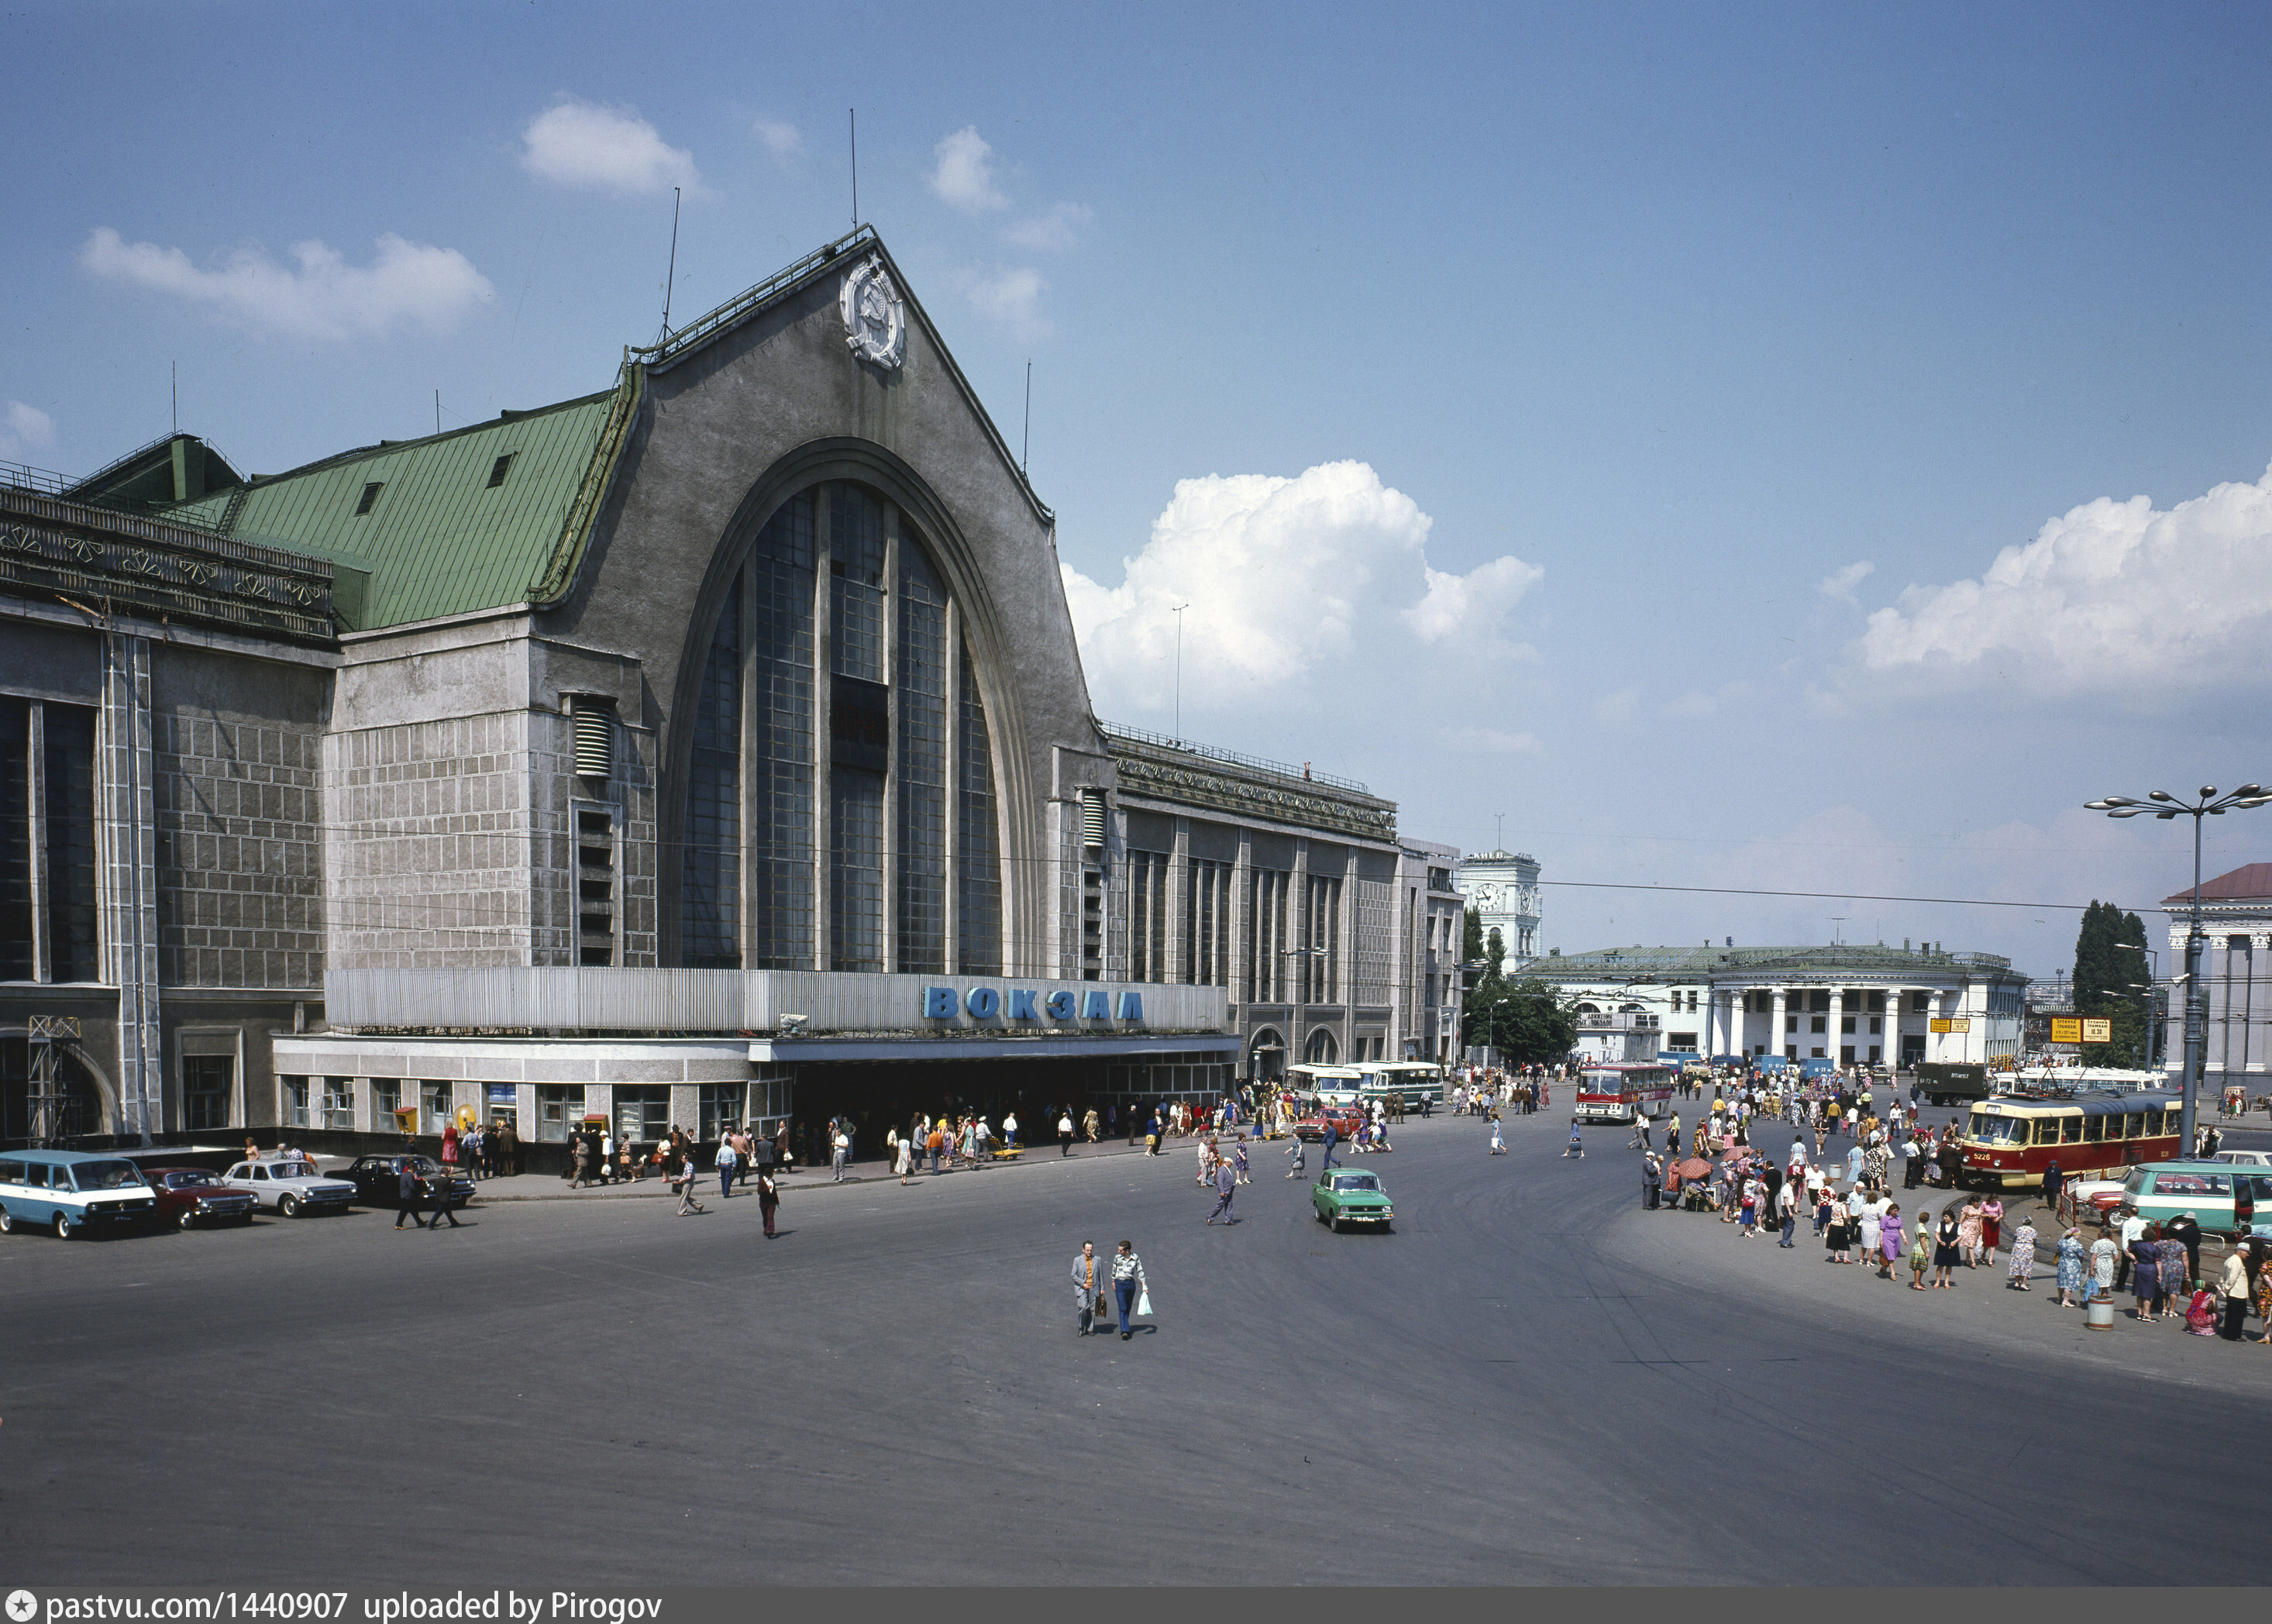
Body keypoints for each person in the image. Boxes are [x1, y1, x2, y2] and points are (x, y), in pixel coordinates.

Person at [1110, 1239, 1147, 1340]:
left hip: (1130, 1284)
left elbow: (1140, 1271)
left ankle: (1125, 1323)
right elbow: (1114, 1271)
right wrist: (1113, 1282)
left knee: (1128, 1307)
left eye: (1121, 1250)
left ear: (1127, 1251)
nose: (1119, 1252)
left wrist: (1144, 1285)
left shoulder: (1135, 1258)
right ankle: (1124, 1330)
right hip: (1120, 1284)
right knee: (1122, 1307)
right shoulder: (1117, 1258)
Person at [2219, 1243, 2253, 1340]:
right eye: (2246, 1252)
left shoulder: (2230, 1259)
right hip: (2237, 1293)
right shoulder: (2237, 1261)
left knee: (2231, 1314)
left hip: (2233, 1293)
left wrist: (2224, 1287)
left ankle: (2229, 1333)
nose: (2248, 1255)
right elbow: (2232, 1278)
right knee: (2237, 1316)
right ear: (2241, 1251)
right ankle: (2234, 1335)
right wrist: (2226, 1288)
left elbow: (2223, 1276)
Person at [1072, 1241, 1103, 1336]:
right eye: (1087, 1250)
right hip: (1083, 1289)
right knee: (1084, 1308)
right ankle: (1081, 1327)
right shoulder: (1077, 1260)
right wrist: (1083, 1283)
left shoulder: (1097, 1260)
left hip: (1094, 1288)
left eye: (1090, 1250)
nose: (1089, 1252)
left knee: (1092, 1310)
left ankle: (1090, 1328)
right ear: (1083, 1250)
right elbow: (1073, 1275)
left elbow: (1100, 1275)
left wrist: (1102, 1288)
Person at [2055, 1227, 2086, 1307]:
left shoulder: (2061, 1241)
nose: (2079, 1236)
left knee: (2062, 1281)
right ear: (2075, 1235)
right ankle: (2066, 1300)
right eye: (2079, 1235)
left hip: (2062, 1263)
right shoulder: (2076, 1244)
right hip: (2072, 1264)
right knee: (2070, 1282)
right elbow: (2082, 1254)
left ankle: (2059, 1298)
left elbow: (2058, 1249)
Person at [2005, 1214, 2037, 1290]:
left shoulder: (2018, 1229)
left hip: (2018, 1247)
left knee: (2017, 1264)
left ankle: (2016, 1283)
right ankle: (2023, 1284)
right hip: (2027, 1248)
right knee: (2026, 1265)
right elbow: (2035, 1240)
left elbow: (2014, 1238)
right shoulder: (2033, 1231)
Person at [394, 1159, 426, 1229]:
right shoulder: (410, 1176)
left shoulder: (404, 1175)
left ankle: (420, 1222)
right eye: (415, 1169)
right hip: (408, 1196)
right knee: (404, 1211)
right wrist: (418, 1193)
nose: (416, 1170)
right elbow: (412, 1186)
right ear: (412, 1168)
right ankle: (398, 1224)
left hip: (404, 1194)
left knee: (414, 1210)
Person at [1933, 1208, 1960, 1288]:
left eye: (1946, 1217)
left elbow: (1961, 1236)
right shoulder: (1941, 1224)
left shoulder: (1957, 1225)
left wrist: (1955, 1242)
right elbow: (1937, 1234)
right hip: (1942, 1246)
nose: (1944, 1218)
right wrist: (1939, 1241)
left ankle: (1946, 1282)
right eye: (1944, 1217)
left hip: (1952, 1247)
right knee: (1940, 1265)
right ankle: (1937, 1282)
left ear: (1950, 1217)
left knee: (1949, 1265)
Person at [1205, 1158, 1237, 1225]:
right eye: (1230, 1164)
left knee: (1229, 1205)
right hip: (1225, 1191)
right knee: (1220, 1205)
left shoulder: (1226, 1169)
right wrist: (1222, 1191)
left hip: (1229, 1190)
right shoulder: (1222, 1170)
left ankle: (1228, 1220)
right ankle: (1210, 1217)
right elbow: (1220, 1181)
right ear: (1227, 1162)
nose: (1231, 1165)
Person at [675, 1148, 705, 1215]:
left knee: (683, 1197)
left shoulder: (689, 1165)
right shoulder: (687, 1165)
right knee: (687, 1197)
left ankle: (682, 1212)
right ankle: (699, 1205)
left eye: (683, 1159)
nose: (682, 1160)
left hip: (688, 1183)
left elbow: (689, 1176)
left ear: (687, 1159)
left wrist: (682, 1180)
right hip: (688, 1183)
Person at [757, 1167, 780, 1239]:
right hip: (763, 1202)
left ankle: (770, 1231)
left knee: (770, 1217)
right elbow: (759, 1192)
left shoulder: (772, 1181)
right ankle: (766, 1229)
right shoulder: (761, 1181)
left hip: (771, 1203)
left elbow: (775, 1192)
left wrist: (777, 1201)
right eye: (772, 1173)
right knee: (765, 1218)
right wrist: (767, 1188)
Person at [715, 1132, 738, 1202]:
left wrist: (717, 1165)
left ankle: (723, 1191)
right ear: (730, 1143)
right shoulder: (732, 1150)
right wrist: (734, 1165)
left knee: (723, 1178)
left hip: (722, 1164)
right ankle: (726, 1193)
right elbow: (734, 1159)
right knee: (728, 1178)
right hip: (728, 1165)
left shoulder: (721, 1149)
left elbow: (717, 1158)